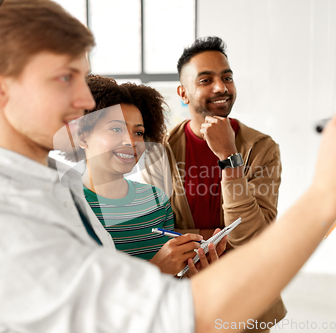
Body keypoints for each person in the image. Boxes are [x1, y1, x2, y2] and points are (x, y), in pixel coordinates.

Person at [0, 1, 336, 332]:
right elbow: (177, 315)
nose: (87, 101)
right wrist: (328, 194)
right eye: (64, 77)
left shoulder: (59, 189)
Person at [141, 36, 286, 331]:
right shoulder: (162, 151)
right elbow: (154, 234)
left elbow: (253, 238)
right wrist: (223, 238)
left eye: (227, 77)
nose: (221, 87)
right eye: (206, 80)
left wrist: (229, 157)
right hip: (184, 297)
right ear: (184, 93)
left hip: (246, 298)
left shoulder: (261, 148)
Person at [64, 74, 225, 275]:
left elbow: (168, 287)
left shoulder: (156, 200)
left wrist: (192, 271)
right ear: (82, 136)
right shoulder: (64, 206)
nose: (131, 142)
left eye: (138, 133)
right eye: (116, 129)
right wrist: (155, 270)